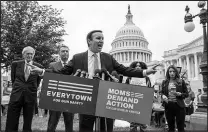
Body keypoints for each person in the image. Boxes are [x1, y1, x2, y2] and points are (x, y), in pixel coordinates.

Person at [30, 30, 157, 132]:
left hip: (106, 99)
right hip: (86, 99)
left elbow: (124, 70)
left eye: (102, 38)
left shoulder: (108, 58)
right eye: (98, 38)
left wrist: (145, 72)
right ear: (89, 41)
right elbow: (62, 73)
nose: (101, 40)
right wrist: (42, 71)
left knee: (105, 128)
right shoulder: (78, 58)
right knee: (85, 127)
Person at [5, 46, 43, 132]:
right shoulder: (15, 64)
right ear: (23, 54)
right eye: (27, 53)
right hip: (16, 95)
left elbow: (37, 82)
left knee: (28, 121)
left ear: (33, 55)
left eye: (31, 54)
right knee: (12, 119)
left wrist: (30, 89)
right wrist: (19, 88)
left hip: (30, 96)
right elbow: (14, 79)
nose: (29, 55)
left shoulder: (38, 66)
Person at [46, 45, 74, 132]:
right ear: (59, 53)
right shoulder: (52, 65)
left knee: (69, 125)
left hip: (69, 99)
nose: (65, 53)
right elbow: (48, 82)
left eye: (67, 51)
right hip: (56, 99)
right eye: (63, 51)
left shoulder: (74, 66)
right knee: (52, 124)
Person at [125, 61, 152, 132]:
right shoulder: (129, 78)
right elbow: (125, 90)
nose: (138, 67)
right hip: (132, 103)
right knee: (133, 124)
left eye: (139, 66)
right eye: (136, 66)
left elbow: (149, 90)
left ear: (143, 68)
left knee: (143, 124)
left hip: (143, 103)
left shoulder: (146, 78)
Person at [161, 65, 188, 132]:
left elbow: (186, 94)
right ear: (168, 72)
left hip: (179, 106)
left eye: (173, 71)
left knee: (180, 128)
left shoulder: (181, 81)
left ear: (176, 72)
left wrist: (180, 94)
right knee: (171, 128)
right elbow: (162, 92)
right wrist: (163, 96)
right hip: (168, 106)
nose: (172, 73)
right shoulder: (164, 82)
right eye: (170, 71)